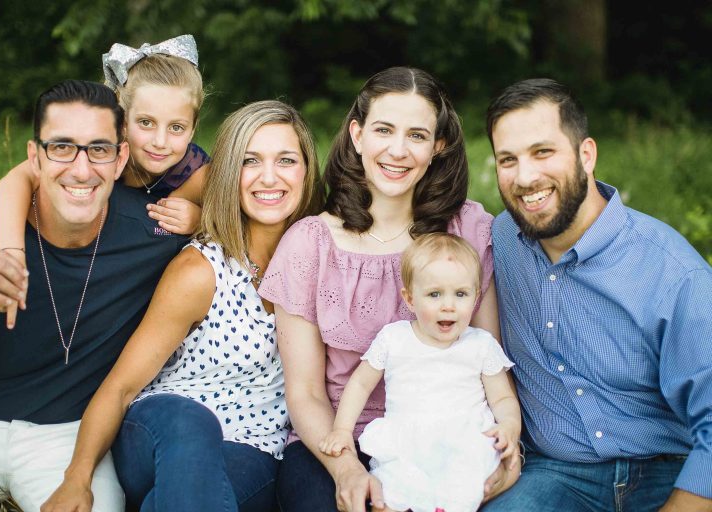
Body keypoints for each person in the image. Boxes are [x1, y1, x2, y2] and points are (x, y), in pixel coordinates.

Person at [40, 100, 324, 512]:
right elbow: (121, 387)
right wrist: (77, 479)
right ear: (229, 174)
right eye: (250, 161)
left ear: (306, 171)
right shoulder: (200, 271)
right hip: (160, 428)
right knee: (190, 421)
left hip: (253, 447)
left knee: (192, 497)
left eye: (285, 160)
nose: (269, 177)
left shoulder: (320, 263)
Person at [258, 66, 520, 512]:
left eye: (417, 136)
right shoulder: (310, 243)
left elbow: (487, 358)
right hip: (338, 438)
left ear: (438, 147)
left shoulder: (469, 230)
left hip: (449, 438)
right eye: (383, 130)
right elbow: (304, 392)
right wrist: (348, 470)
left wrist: (507, 445)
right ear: (357, 136)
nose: (397, 150)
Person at [0, 79, 188, 511]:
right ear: (33, 157)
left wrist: (202, 212)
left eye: (98, 149)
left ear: (120, 158)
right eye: (61, 147)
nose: (80, 169)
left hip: (69, 436)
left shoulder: (154, 232)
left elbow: (245, 217)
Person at [482, 78, 712, 511]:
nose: (525, 177)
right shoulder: (498, 240)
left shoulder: (672, 271)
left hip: (666, 468)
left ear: (586, 154)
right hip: (556, 472)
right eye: (507, 160)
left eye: (542, 152)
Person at [0, 34, 210, 328]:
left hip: (143, 297)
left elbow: (239, 225)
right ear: (121, 119)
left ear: (194, 127)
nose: (160, 142)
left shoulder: (195, 171)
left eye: (176, 127)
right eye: (145, 123)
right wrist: (10, 251)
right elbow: (16, 180)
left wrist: (201, 220)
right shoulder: (97, 150)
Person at [319, 233, 520, 512]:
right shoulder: (394, 339)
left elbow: (502, 399)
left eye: (461, 294)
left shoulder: (481, 345)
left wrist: (509, 427)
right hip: (408, 442)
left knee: (464, 489)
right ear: (410, 299)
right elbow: (361, 385)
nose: (448, 305)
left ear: (476, 297)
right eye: (434, 294)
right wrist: (342, 430)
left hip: (464, 442)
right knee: (390, 494)